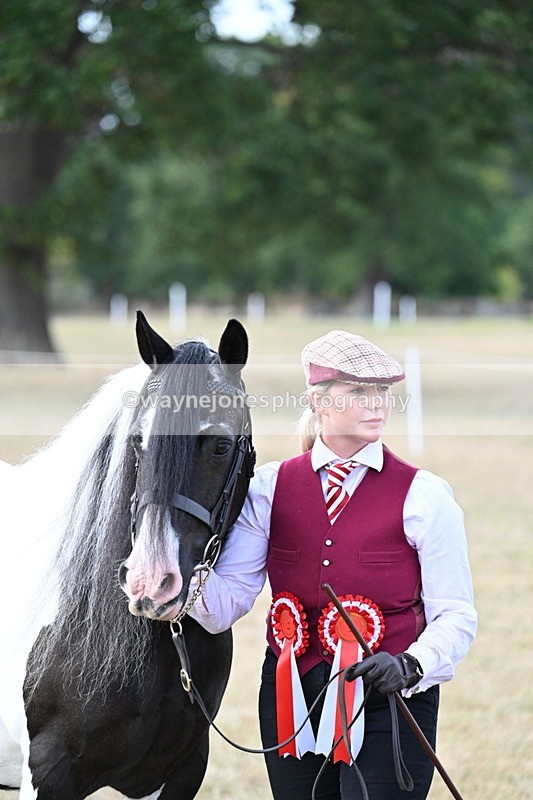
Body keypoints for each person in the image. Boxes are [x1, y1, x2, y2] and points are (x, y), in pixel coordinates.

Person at [188, 329, 477, 800]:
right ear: (317, 401)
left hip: (392, 700)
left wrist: (411, 665)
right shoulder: (267, 489)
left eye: (381, 392)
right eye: (358, 392)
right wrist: (179, 578)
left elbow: (457, 615)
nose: (377, 404)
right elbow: (227, 603)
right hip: (291, 698)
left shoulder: (425, 496)